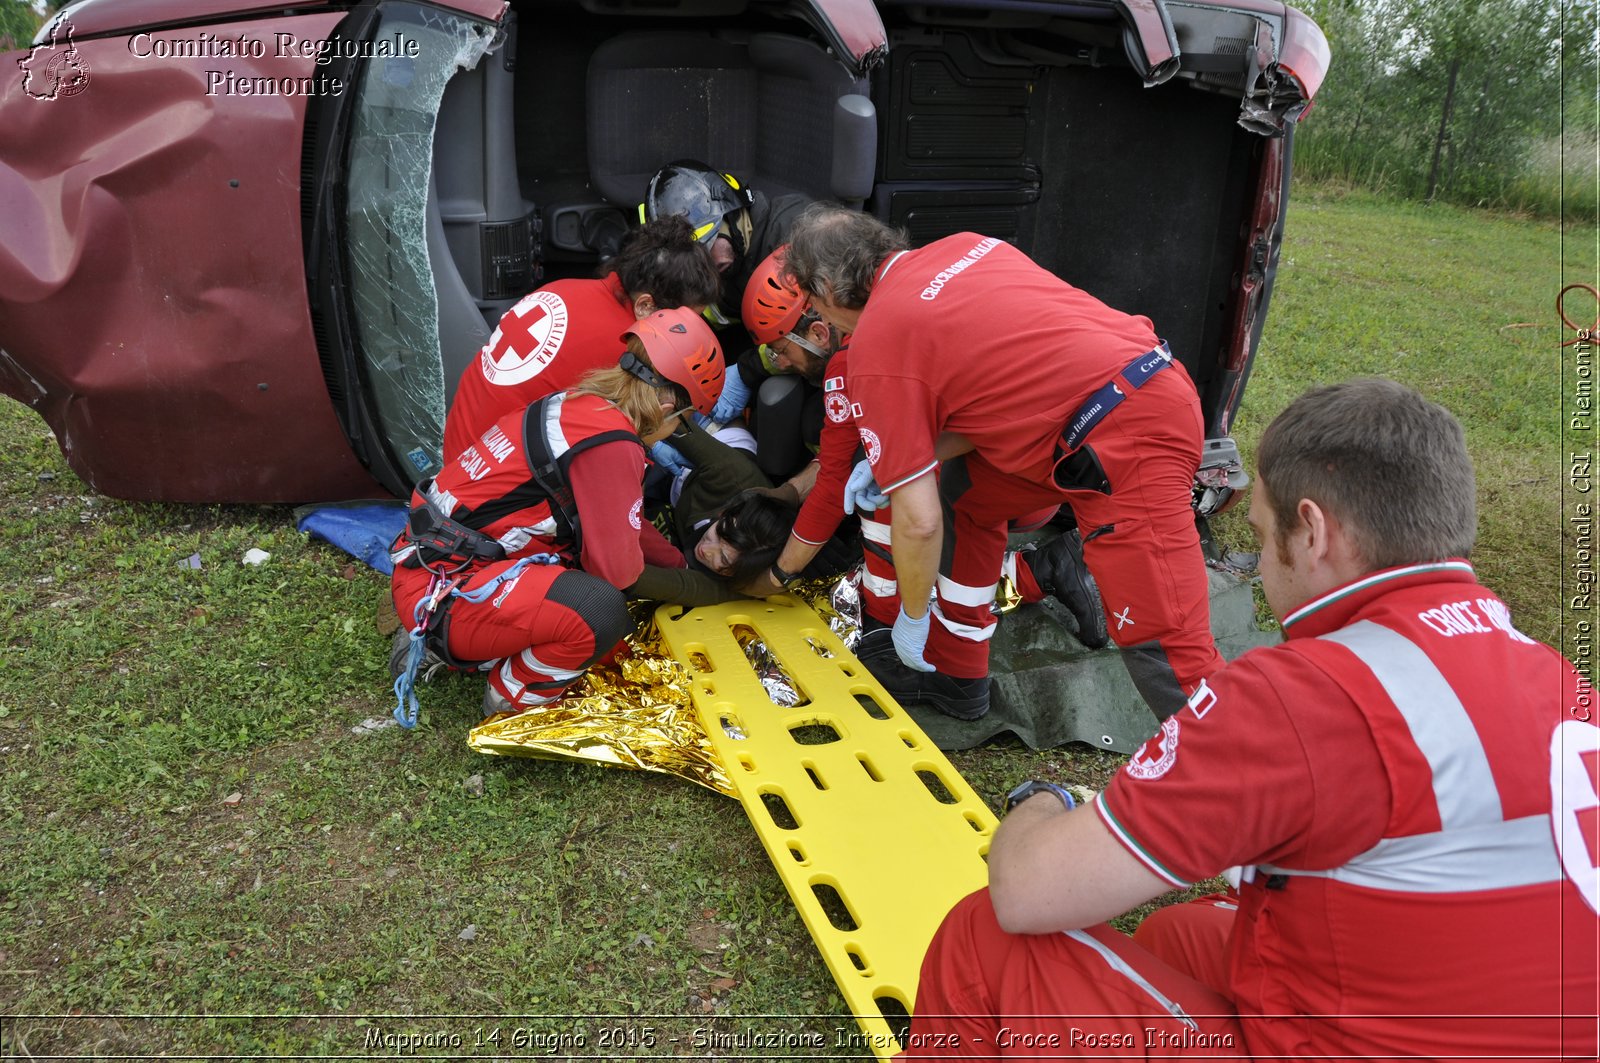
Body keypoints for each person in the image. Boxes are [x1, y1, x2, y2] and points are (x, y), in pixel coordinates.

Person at [902, 378, 1599, 1060]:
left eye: (1265, 537)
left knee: (983, 935)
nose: (1261, 563)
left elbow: (1027, 892)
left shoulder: (1302, 695)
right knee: (1183, 935)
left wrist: (1045, 800)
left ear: (1316, 533)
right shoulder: (1557, 676)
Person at [783, 204, 1219, 721]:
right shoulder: (968, 244)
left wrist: (914, 616)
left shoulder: (877, 341)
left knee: (1165, 647)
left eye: (811, 301)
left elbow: (918, 524)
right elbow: (1001, 389)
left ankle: (1228, 771)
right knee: (965, 493)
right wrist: (904, 459)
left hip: (1124, 439)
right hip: (1125, 394)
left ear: (827, 292)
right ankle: (956, 670)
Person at [742, 251, 1107, 653]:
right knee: (884, 473)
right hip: (1047, 450)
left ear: (817, 333)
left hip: (1000, 479)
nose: (780, 362)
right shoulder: (928, 282)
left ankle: (888, 621)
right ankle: (1042, 571)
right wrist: (791, 492)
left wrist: (777, 576)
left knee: (891, 496)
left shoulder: (853, 361)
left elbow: (836, 485)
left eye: (781, 350)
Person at [389, 307, 734, 722]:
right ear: (665, 406)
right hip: (450, 589)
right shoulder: (612, 443)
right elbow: (620, 572)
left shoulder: (580, 404)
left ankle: (440, 639)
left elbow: (625, 520)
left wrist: (679, 562)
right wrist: (705, 588)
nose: (677, 430)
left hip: (431, 566)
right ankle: (510, 696)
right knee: (600, 610)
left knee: (582, 576)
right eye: (684, 419)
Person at [439, 216, 720, 462]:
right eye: (683, 322)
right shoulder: (624, 350)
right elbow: (619, 447)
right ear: (646, 306)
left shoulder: (564, 288)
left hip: (460, 451)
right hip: (493, 495)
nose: (688, 331)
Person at [642, 160, 811, 329]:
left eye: (710, 241)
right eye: (694, 257)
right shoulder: (704, 282)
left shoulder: (799, 232)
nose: (708, 263)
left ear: (732, 214)